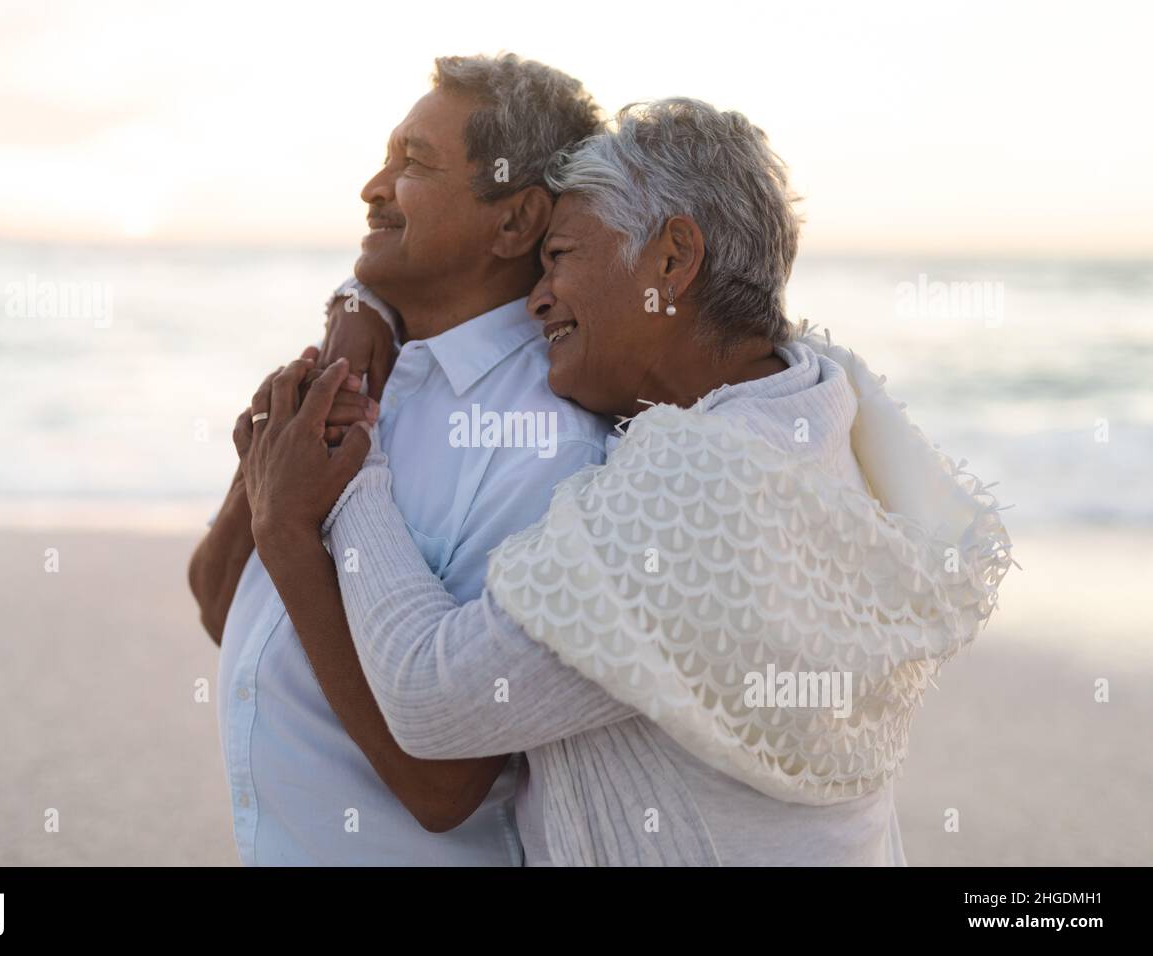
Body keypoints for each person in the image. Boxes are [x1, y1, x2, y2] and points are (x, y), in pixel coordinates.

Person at [248, 99, 1014, 865]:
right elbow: (452, 274)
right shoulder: (808, 402)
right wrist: (370, 302)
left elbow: (427, 701)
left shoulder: (699, 490)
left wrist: (346, 462)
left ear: (674, 259)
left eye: (560, 259)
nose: (537, 299)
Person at [188, 53, 607, 865]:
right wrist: (260, 480)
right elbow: (215, 604)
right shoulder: (354, 366)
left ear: (515, 222)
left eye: (413, 163)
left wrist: (286, 527)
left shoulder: (547, 448)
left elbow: (444, 788)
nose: (373, 188)